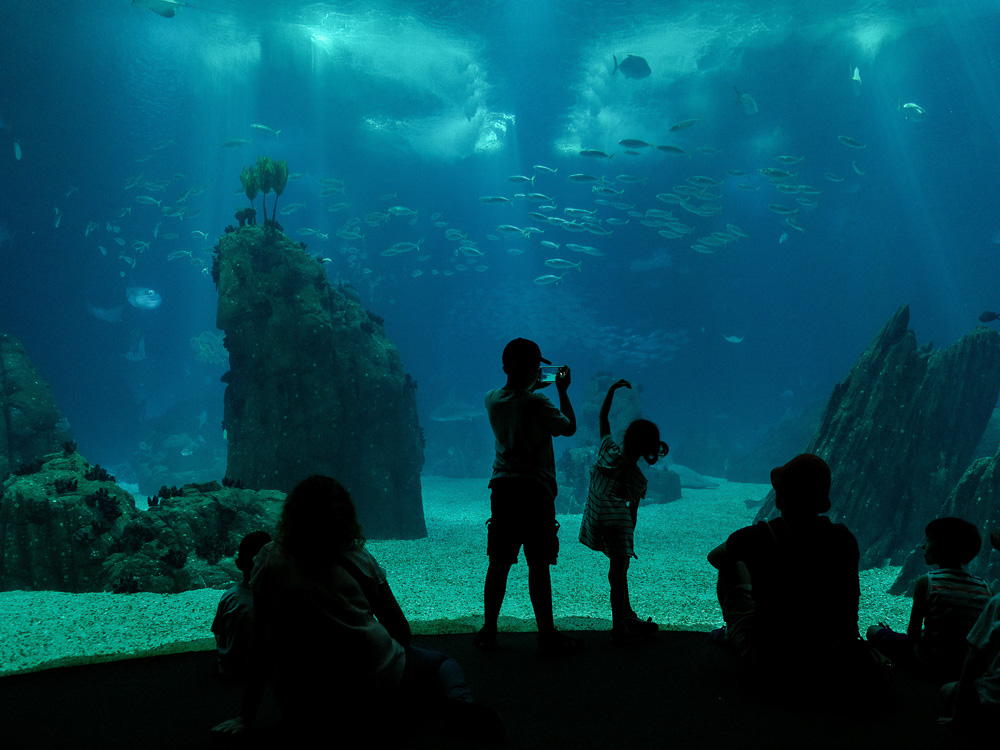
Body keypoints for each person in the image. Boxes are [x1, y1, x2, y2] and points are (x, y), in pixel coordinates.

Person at [213, 476, 503, 744]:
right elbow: (400, 629)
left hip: (301, 702)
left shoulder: (267, 559)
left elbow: (260, 643)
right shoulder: (358, 558)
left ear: (292, 514)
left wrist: (245, 717)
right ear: (344, 514)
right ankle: (457, 706)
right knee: (443, 664)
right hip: (374, 684)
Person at [707, 453, 862, 696]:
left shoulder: (758, 536)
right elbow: (851, 598)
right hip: (828, 660)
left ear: (780, 498)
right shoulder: (843, 538)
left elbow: (715, 558)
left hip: (770, 663)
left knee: (731, 566)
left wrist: (753, 558)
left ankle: (735, 637)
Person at [476, 337, 581, 658]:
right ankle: (546, 634)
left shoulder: (492, 399)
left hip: (504, 491)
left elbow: (518, 397)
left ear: (506, 366)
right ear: (536, 370)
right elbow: (569, 428)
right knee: (538, 565)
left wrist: (532, 383)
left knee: (498, 563)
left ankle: (489, 628)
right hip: (535, 493)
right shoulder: (539, 404)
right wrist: (562, 390)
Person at [578, 378, 668, 643]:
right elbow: (633, 515)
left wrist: (611, 390)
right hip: (619, 525)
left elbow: (603, 417)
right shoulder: (638, 478)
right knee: (618, 574)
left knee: (617, 575)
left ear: (626, 435)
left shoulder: (607, 450)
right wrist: (629, 542)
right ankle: (619, 629)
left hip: (597, 518)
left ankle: (627, 615)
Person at [867, 517, 992, 680]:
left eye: (928, 540)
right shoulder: (985, 588)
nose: (922, 545)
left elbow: (913, 633)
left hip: (927, 661)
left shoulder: (926, 582)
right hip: (962, 666)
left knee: (872, 630)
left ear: (946, 548)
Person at [940, 528, 1000, 730]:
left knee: (945, 690)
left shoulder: (997, 603)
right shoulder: (987, 588)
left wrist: (959, 712)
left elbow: (973, 655)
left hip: (993, 700)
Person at [211, 530, 272, 680]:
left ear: (238, 564)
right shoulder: (280, 596)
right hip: (264, 676)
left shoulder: (229, 596)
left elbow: (218, 634)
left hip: (229, 671)